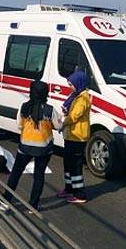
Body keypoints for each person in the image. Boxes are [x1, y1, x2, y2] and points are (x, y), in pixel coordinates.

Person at [0, 80, 62, 212]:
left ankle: (6, 200)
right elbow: (59, 125)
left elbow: (19, 125)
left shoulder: (24, 107)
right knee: (39, 175)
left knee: (16, 173)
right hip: (44, 148)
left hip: (25, 147)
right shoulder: (50, 110)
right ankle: (33, 205)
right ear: (45, 93)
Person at [57, 71, 91, 204]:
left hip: (78, 137)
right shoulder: (76, 96)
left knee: (76, 166)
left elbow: (74, 116)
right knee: (68, 163)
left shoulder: (83, 98)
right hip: (71, 135)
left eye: (71, 84)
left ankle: (80, 194)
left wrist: (61, 123)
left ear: (79, 83)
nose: (70, 87)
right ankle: (69, 188)